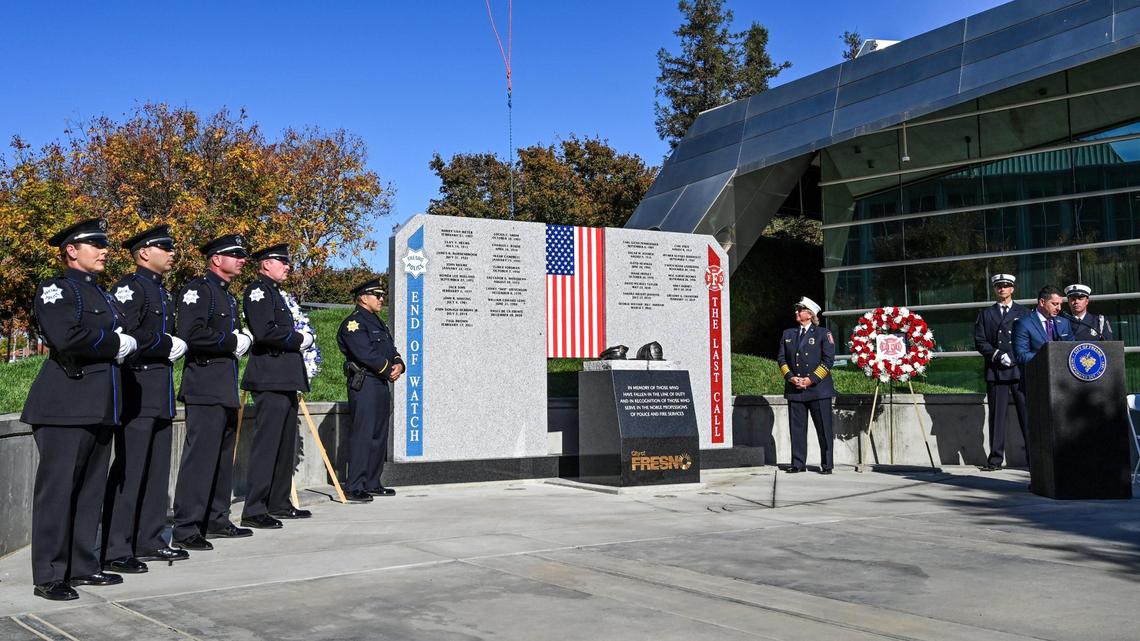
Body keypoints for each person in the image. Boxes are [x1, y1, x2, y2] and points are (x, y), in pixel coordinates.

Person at [22, 219, 136, 601]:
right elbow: (65, 337)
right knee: (58, 492)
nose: (104, 250)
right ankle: (50, 575)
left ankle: (83, 565)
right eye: (96, 244)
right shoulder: (57, 288)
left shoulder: (100, 294)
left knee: (89, 491)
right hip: (65, 403)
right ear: (72, 250)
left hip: (100, 404)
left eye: (104, 243)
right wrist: (113, 343)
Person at [101, 225, 190, 575]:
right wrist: (164, 344)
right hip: (136, 387)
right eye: (165, 248)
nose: (172, 253)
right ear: (143, 253)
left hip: (159, 391)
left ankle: (149, 539)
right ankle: (116, 547)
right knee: (130, 470)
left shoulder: (161, 292)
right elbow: (125, 333)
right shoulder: (130, 287)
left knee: (155, 472)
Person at [171, 234, 254, 551]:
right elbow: (191, 334)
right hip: (204, 387)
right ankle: (187, 526)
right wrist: (231, 341)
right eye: (235, 254)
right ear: (216, 259)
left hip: (223, 387)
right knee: (200, 460)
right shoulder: (198, 290)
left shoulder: (228, 297)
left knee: (221, 459)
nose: (242, 259)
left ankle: (216, 519)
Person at [239, 244, 315, 528]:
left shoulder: (276, 294)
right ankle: (255, 508)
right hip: (270, 378)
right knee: (267, 446)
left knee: (285, 445)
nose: (287, 267)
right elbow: (265, 331)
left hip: (284, 378)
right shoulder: (258, 292)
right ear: (265, 264)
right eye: (282, 262)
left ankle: (279, 501)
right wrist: (299, 339)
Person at [336, 277, 404, 502]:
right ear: (364, 298)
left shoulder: (378, 323)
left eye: (382, 295)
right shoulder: (353, 323)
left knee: (378, 434)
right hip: (364, 383)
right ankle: (355, 485)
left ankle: (372, 481)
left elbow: (390, 348)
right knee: (363, 435)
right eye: (378, 295)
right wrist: (387, 370)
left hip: (380, 384)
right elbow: (364, 353)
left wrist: (399, 364)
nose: (381, 299)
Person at [974, 274, 1030, 472]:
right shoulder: (986, 314)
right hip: (996, 370)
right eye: (999, 286)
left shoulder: (1024, 312)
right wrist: (997, 355)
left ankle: (1034, 459)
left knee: (1027, 416)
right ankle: (995, 459)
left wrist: (1013, 357)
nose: (1002, 289)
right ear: (994, 289)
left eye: (1006, 286)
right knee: (997, 417)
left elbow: (1028, 338)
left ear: (1012, 289)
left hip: (1018, 370)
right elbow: (980, 341)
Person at [776, 296, 835, 474]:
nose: (796, 312)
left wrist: (811, 380)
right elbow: (781, 358)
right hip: (795, 389)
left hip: (818, 389)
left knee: (824, 429)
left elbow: (828, 361)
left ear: (809, 314)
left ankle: (827, 464)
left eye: (800, 309)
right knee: (797, 429)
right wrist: (791, 378)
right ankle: (798, 463)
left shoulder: (823, 334)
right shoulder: (788, 334)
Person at [1013, 285, 1073, 366]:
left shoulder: (1064, 322)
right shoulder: (1023, 324)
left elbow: (1071, 348)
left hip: (1061, 374)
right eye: (1055, 304)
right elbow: (1021, 356)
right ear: (1042, 302)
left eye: (1060, 304)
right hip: (1037, 374)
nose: (1059, 308)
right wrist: (1050, 357)